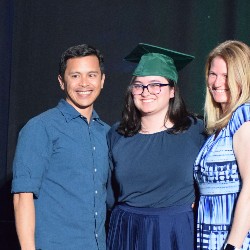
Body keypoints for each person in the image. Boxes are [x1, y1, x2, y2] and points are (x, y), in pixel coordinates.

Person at [106, 43, 206, 250]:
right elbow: (107, 193)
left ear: (172, 91)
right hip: (127, 230)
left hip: (176, 230)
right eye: (139, 85)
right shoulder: (116, 134)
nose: (146, 92)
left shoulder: (197, 131)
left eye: (155, 84)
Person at [11, 44, 110, 250]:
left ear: (102, 80)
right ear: (61, 82)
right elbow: (23, 196)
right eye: (75, 76)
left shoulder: (108, 133)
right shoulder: (40, 127)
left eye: (91, 75)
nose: (84, 83)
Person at [194, 40, 250, 250]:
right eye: (213, 74)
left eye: (226, 75)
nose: (217, 82)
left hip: (234, 241)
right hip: (212, 237)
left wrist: (232, 246)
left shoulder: (244, 117)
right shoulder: (219, 127)